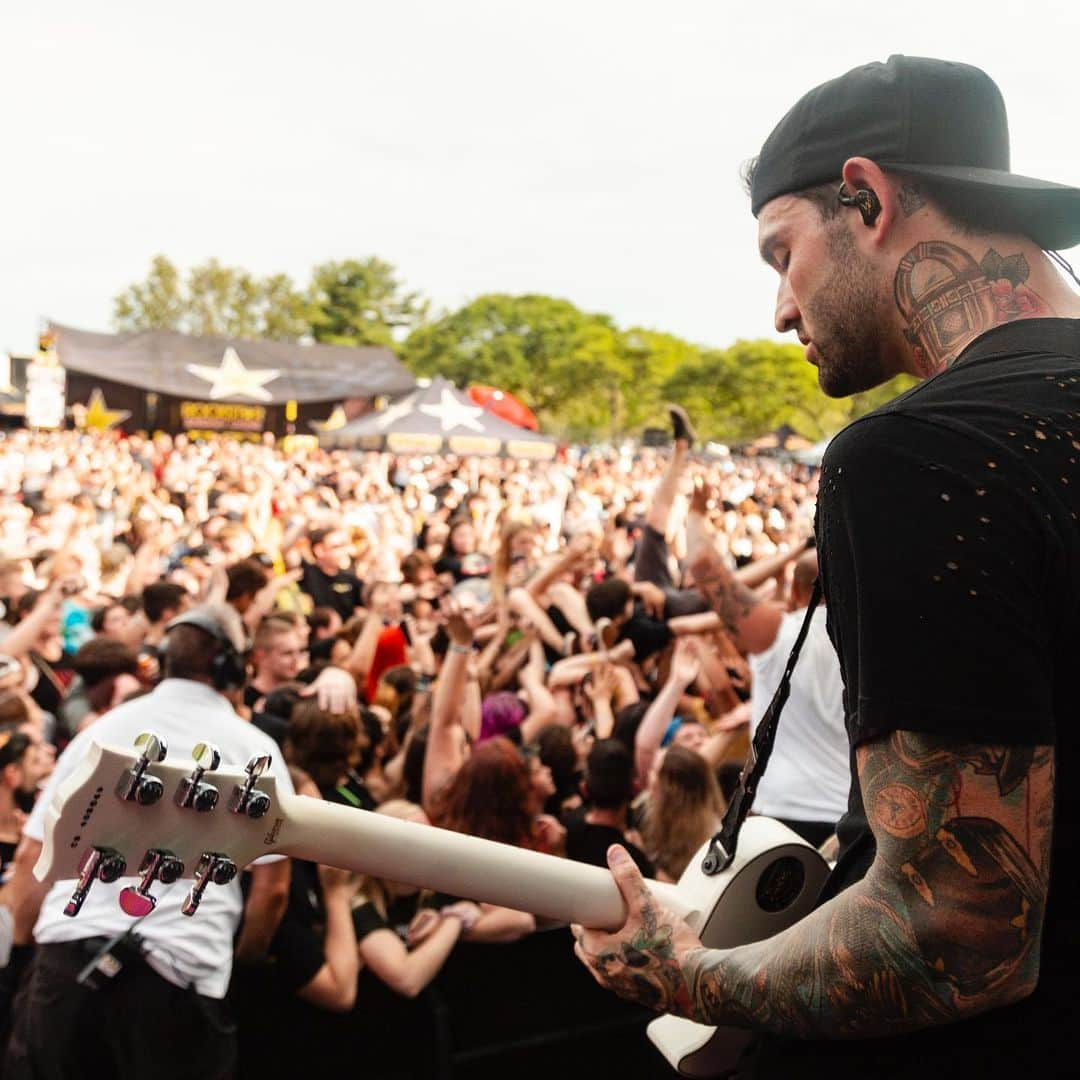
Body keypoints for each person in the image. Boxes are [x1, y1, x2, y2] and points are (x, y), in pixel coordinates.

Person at [571, 55, 1080, 1078]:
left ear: (868, 197)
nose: (779, 308)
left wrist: (684, 974)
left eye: (780, 252)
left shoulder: (924, 454)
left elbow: (963, 930)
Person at [2, 603, 297, 1079]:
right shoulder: (256, 750)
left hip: (67, 967)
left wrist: (22, 954)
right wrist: (243, 962)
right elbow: (274, 888)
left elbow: (35, 853)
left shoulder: (105, 730)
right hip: (179, 980)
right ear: (232, 667)